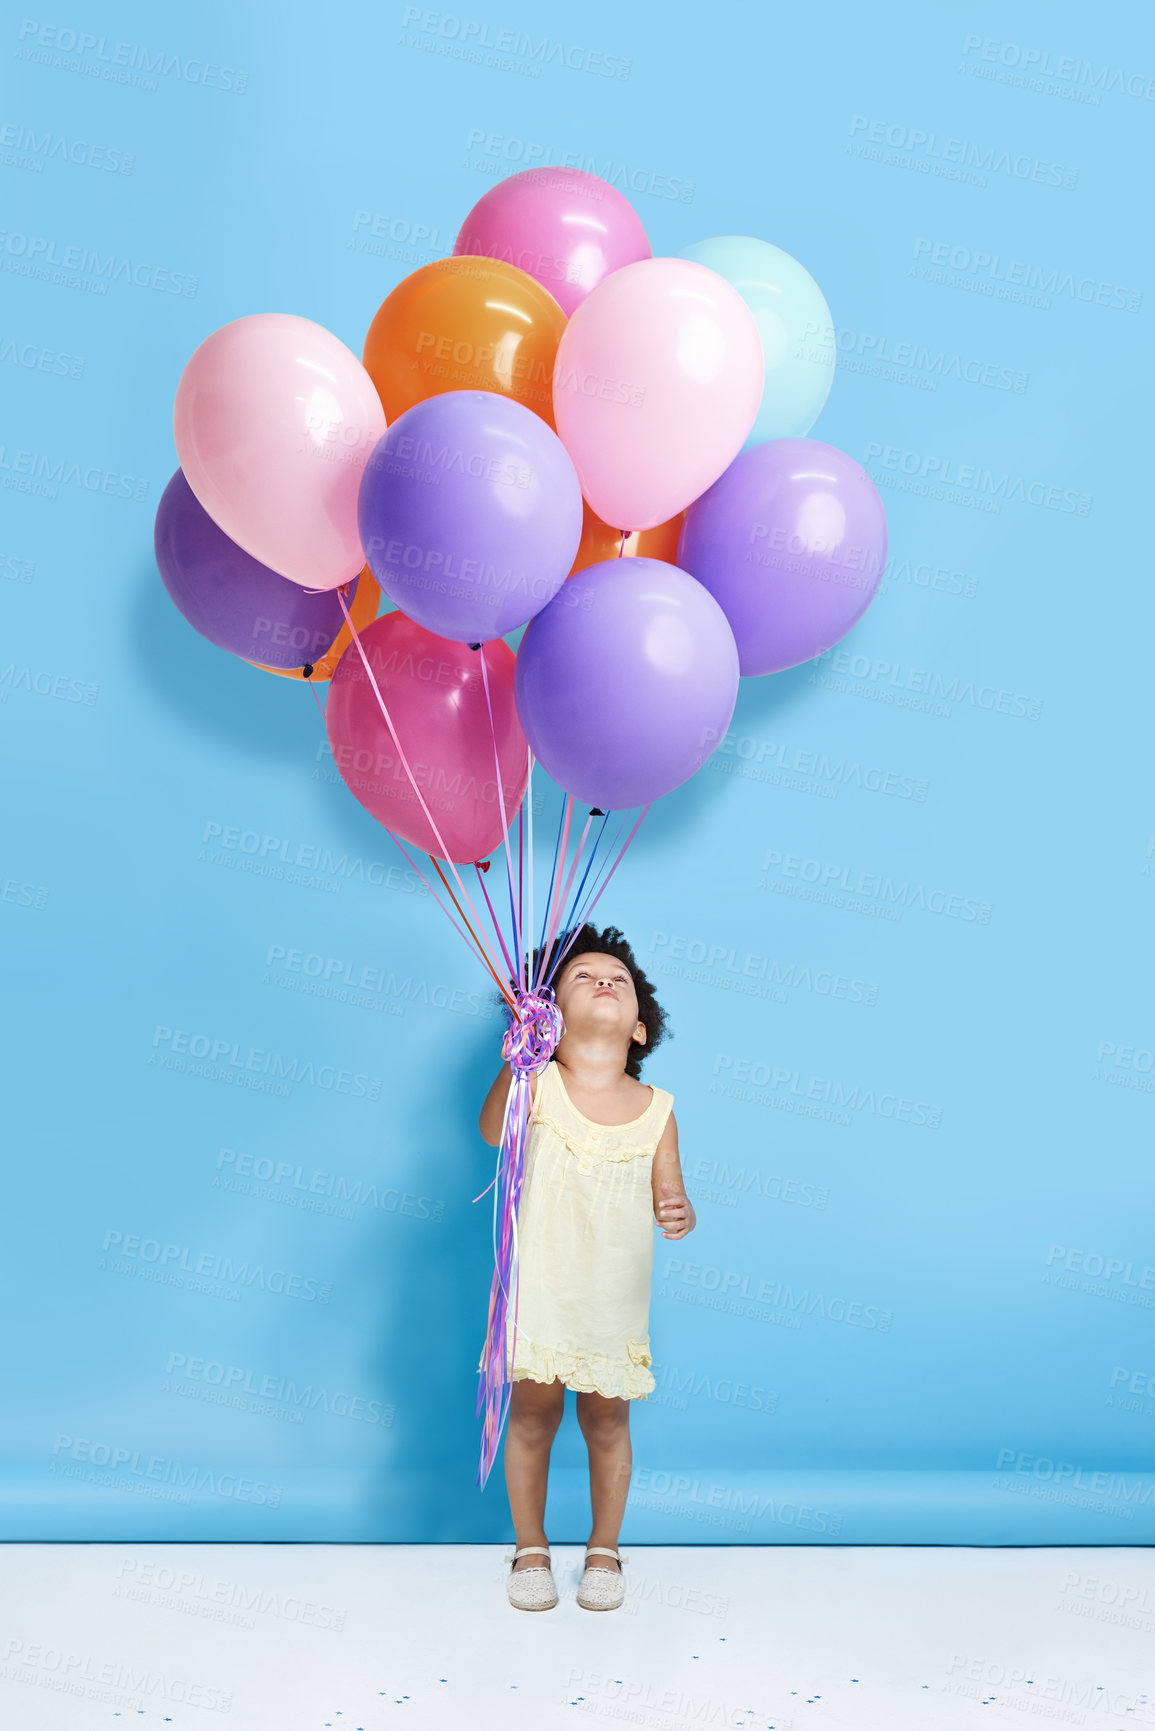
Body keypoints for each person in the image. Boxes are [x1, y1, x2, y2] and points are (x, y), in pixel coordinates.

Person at [477, 922, 696, 1612]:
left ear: (637, 1028)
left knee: (606, 1423)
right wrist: (519, 1055)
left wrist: (678, 1210)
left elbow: (673, 1191)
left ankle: (605, 1547)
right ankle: (531, 1546)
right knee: (533, 1416)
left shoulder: (657, 1109)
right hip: (541, 1292)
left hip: (609, 1296)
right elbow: (490, 1130)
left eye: (618, 979)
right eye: (583, 976)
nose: (604, 979)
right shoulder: (536, 1085)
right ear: (549, 1015)